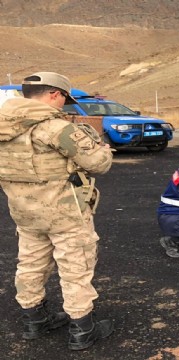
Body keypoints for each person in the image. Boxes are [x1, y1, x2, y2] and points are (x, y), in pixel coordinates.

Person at [0, 72, 114, 350]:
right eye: (63, 98)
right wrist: (105, 150)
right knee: (76, 268)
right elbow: (97, 164)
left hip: (24, 212)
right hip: (65, 213)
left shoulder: (3, 126)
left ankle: (34, 321)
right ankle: (82, 330)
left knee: (29, 265)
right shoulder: (54, 128)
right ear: (54, 94)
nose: (63, 105)